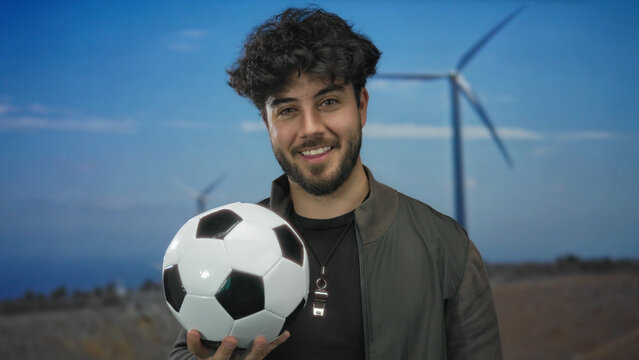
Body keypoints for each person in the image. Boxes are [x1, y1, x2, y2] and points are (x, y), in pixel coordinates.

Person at [169, 6, 502, 360]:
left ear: (361, 106)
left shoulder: (445, 248)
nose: (311, 128)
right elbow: (187, 353)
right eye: (287, 110)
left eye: (328, 101)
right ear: (268, 126)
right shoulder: (223, 246)